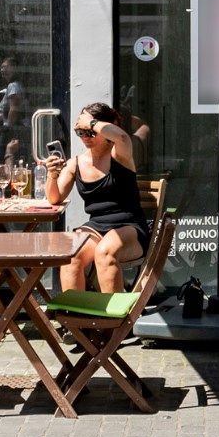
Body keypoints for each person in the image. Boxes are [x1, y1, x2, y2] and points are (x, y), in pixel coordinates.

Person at [43, 102, 149, 294]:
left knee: (105, 252)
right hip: (97, 227)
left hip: (129, 226)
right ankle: (76, 320)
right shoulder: (76, 163)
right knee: (70, 256)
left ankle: (114, 321)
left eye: (90, 132)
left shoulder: (120, 154)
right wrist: (51, 174)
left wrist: (90, 122)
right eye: (81, 133)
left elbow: (123, 136)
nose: (85, 137)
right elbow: (54, 198)